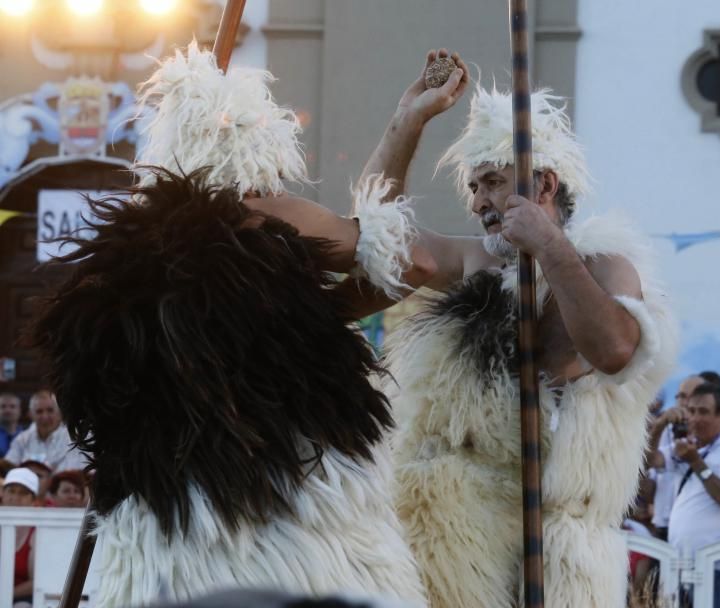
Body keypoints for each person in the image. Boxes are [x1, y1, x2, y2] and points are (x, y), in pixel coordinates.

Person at [28, 43, 429, 607]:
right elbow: (406, 260)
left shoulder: (129, 285)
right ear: (252, 164)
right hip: (298, 533)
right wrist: (403, 131)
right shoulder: (267, 229)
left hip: (167, 545)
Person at [363, 50, 678, 607]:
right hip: (457, 538)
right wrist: (407, 121)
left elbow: (613, 350)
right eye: (475, 188)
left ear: (545, 184)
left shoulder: (606, 264)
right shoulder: (477, 261)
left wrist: (549, 247)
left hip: (558, 554)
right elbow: (378, 238)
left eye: (492, 182)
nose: (480, 202)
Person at [649, 384, 720, 608]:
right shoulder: (686, 446)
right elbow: (648, 461)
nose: (695, 418)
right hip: (678, 561)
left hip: (715, 567)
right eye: (692, 411)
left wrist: (696, 462)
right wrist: (659, 426)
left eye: (704, 412)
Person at [648, 375, 705, 540]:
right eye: (681, 395)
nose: (684, 401)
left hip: (695, 530)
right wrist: (659, 425)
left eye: (691, 396)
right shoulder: (664, 428)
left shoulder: (712, 436)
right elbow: (651, 462)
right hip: (662, 525)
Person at [3, 390, 86, 472]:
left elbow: (77, 474)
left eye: (50, 410)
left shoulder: (73, 437)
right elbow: (7, 468)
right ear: (30, 415)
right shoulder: (22, 439)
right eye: (39, 411)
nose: (45, 416)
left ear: (60, 413)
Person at [1, 467, 39, 607]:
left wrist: (3, 595)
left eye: (23, 493)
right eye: (11, 491)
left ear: (33, 500)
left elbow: (37, 580)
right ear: (3, 494)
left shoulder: (36, 532)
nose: (15, 497)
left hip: (22, 599)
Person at [0, 392, 23, 457]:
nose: (8, 410)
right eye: (3, 406)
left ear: (19, 411)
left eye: (12, 406)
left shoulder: (28, 436)